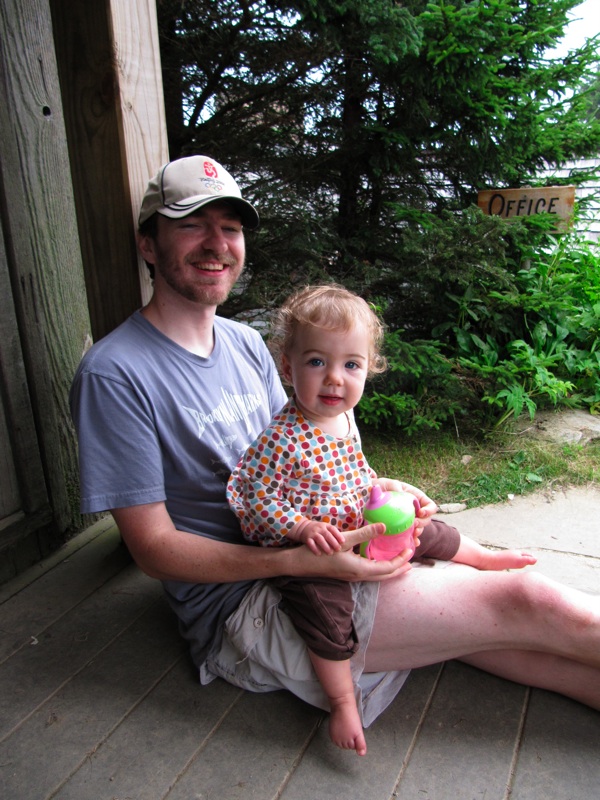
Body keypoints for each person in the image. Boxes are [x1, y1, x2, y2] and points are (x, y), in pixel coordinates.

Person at [69, 155, 600, 757]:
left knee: (506, 633)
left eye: (232, 227)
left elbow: (305, 445)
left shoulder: (244, 343)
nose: (217, 243)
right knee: (525, 601)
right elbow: (154, 550)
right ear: (148, 242)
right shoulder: (116, 374)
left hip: (320, 546)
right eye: (192, 223)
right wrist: (300, 564)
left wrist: (378, 485)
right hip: (248, 609)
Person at [226, 284, 537, 755]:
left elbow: (354, 471)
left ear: (369, 369)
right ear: (288, 368)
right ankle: (343, 699)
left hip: (358, 520)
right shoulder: (283, 437)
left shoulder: (344, 419)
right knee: (325, 613)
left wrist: (386, 488)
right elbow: (256, 498)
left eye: (351, 365)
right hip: (311, 551)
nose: (334, 379)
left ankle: (484, 558)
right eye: (316, 362)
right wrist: (303, 528)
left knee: (425, 528)